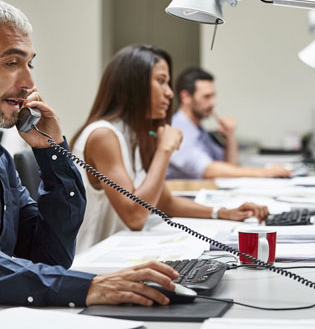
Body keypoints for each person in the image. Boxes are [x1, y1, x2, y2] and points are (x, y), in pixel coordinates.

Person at [0, 0, 180, 328]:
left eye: (29, 64)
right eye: (11, 64)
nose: (28, 84)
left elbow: (50, 256)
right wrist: (89, 287)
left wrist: (53, 152)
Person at [70, 45, 269, 252]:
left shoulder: (135, 134)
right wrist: (164, 150)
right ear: (134, 84)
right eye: (161, 81)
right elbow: (135, 216)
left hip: (119, 253)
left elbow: (166, 203)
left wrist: (224, 212)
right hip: (93, 263)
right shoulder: (103, 135)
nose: (169, 93)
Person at [166, 68, 292, 179]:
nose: (213, 103)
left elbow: (229, 168)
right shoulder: (177, 128)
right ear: (185, 97)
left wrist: (230, 137)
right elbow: (208, 169)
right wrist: (263, 172)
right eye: (206, 97)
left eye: (213, 96)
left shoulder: (199, 129)